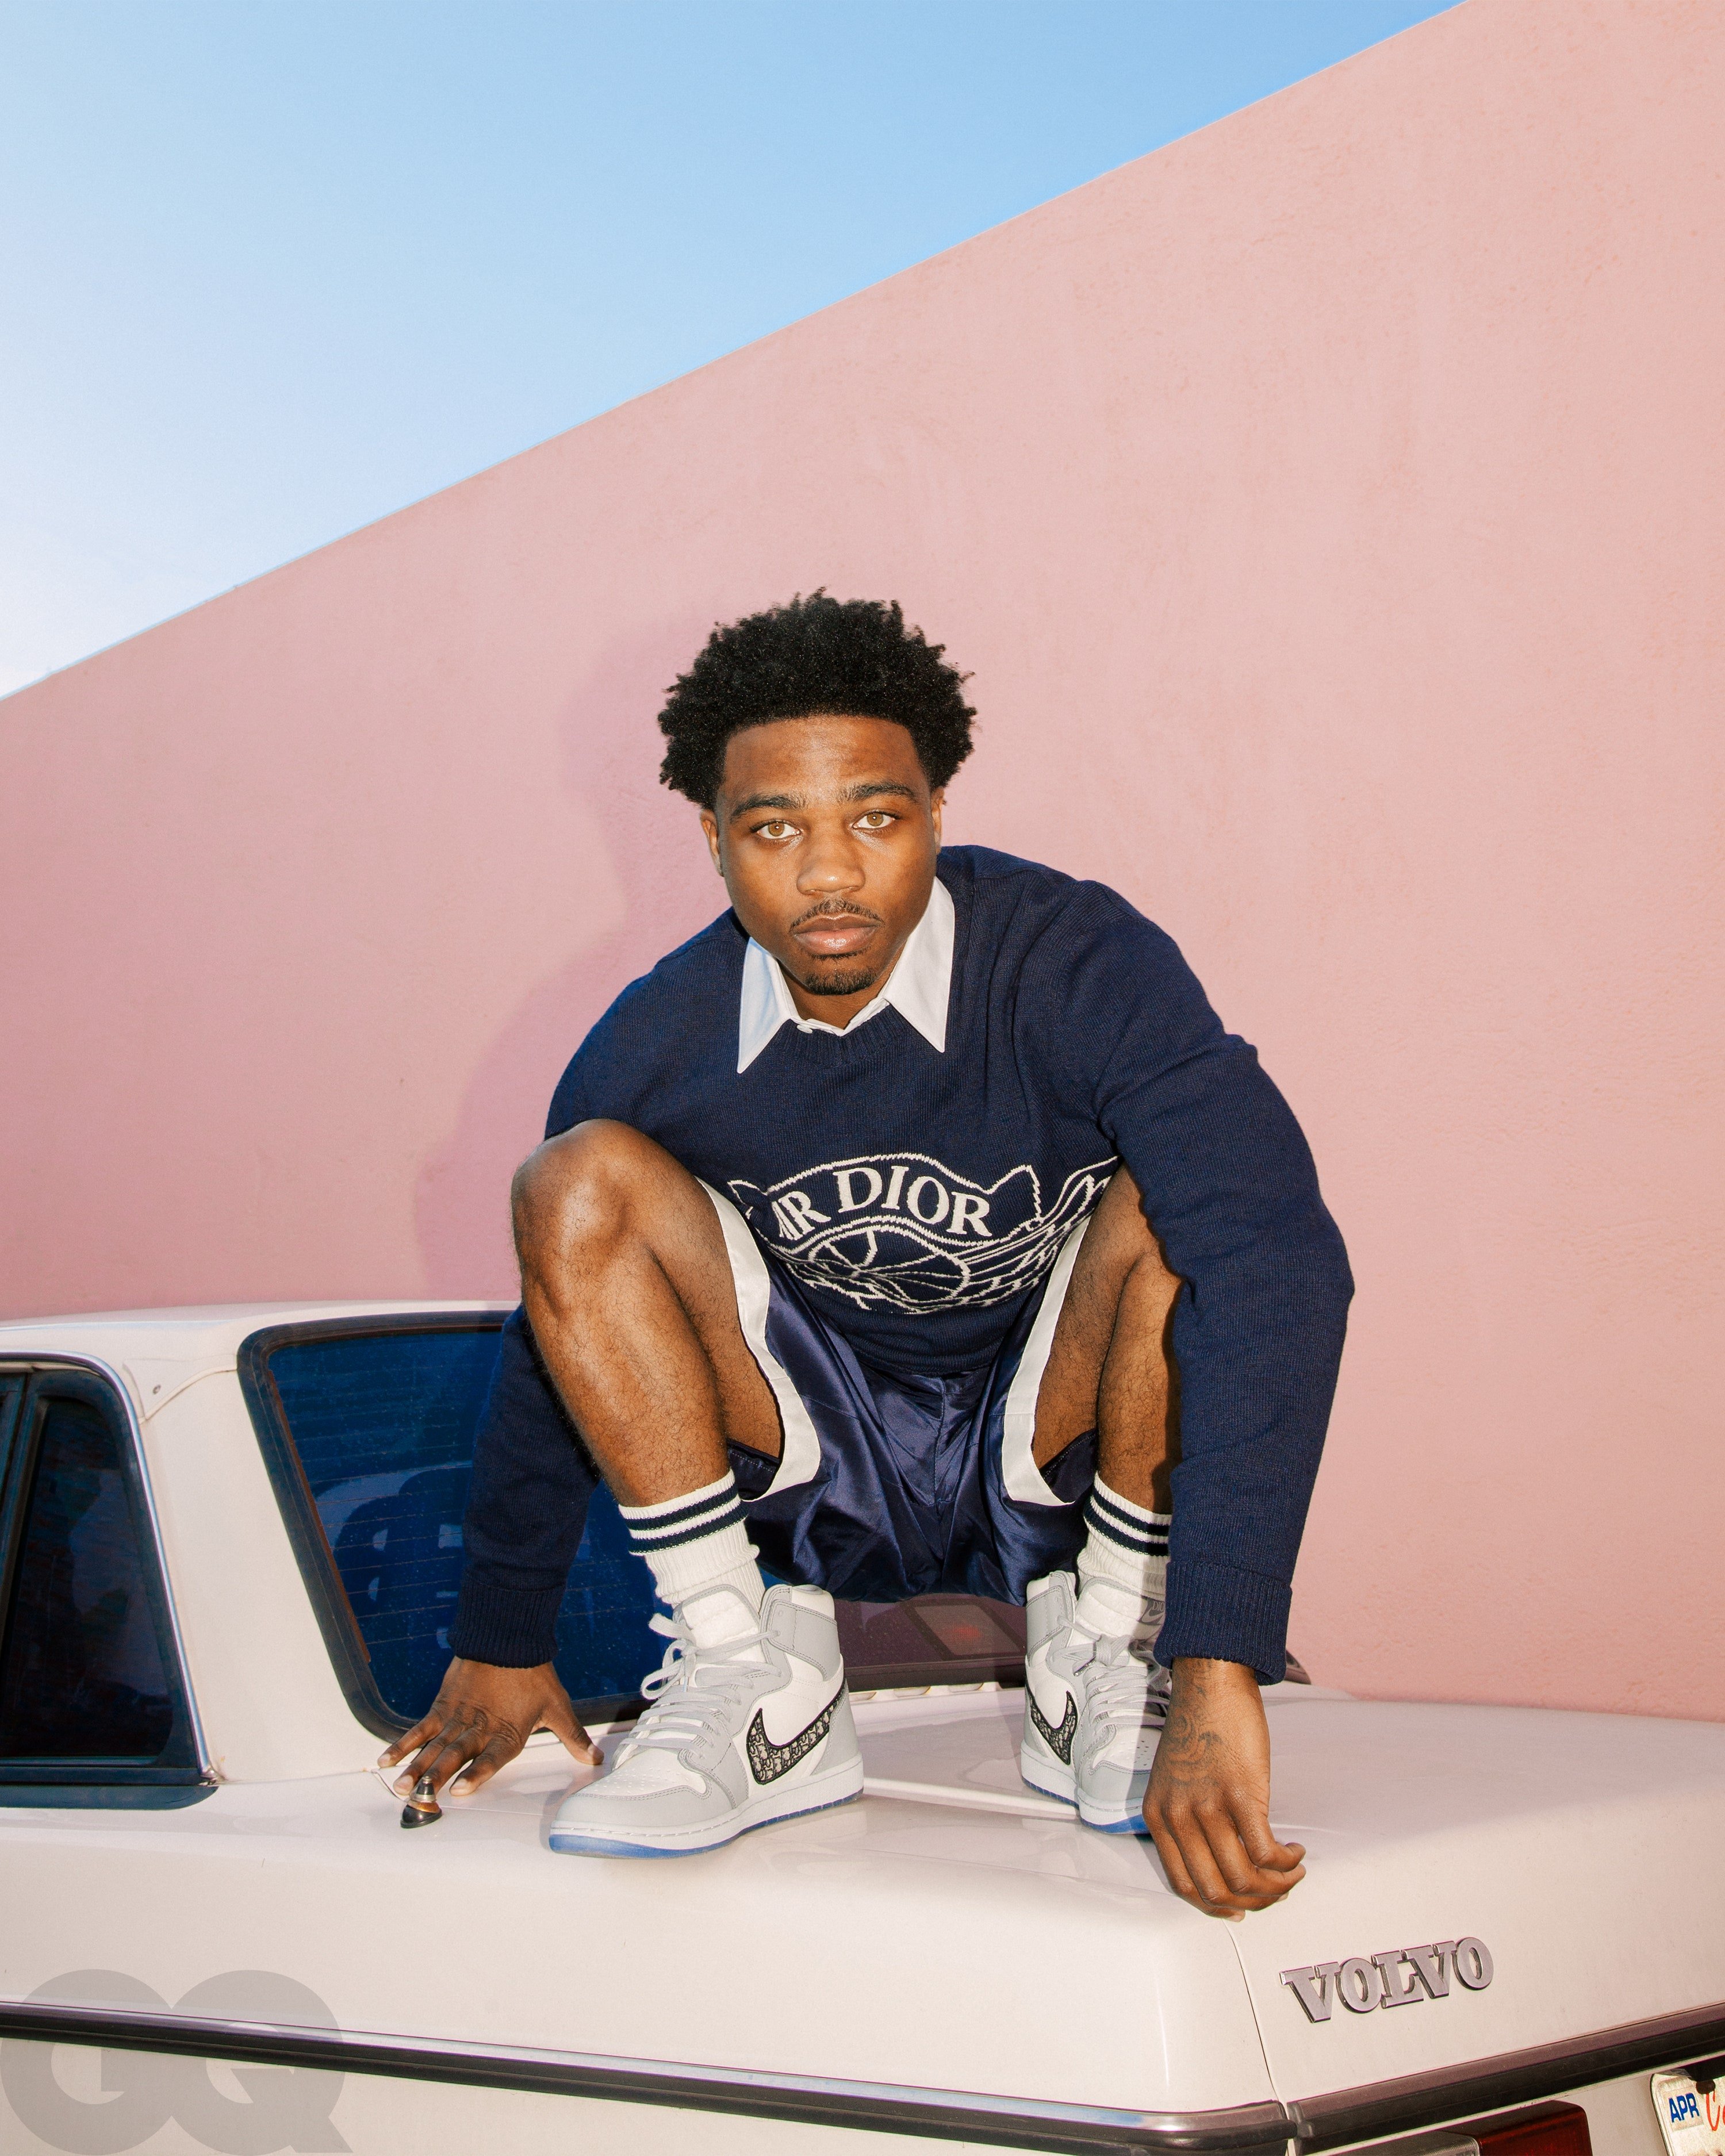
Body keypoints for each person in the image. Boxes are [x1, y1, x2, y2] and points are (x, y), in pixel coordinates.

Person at [382, 593, 1351, 1917]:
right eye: (776, 829)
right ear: (713, 839)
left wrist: (1218, 1653)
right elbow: (555, 1331)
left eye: (876, 820)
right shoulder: (658, 1042)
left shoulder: (1076, 964)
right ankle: (755, 1675)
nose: (830, 875)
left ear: (936, 815)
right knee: (575, 1182)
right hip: (814, 1455)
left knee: (1190, 1203)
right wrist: (503, 1635)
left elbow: (1276, 1257)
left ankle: (1114, 1647)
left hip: (1045, 1435)